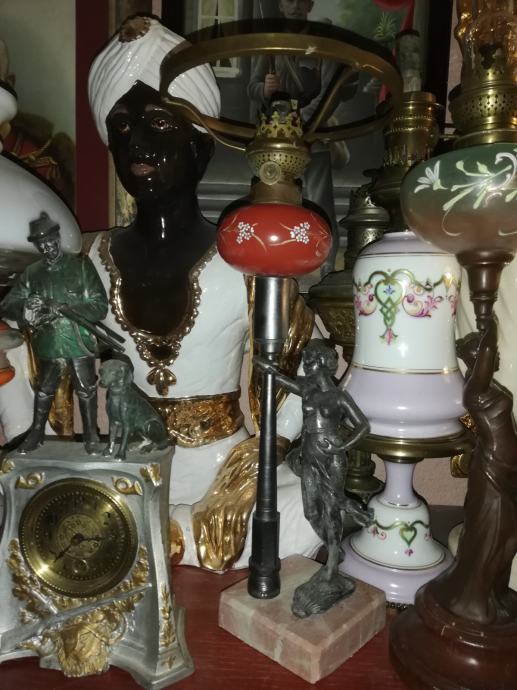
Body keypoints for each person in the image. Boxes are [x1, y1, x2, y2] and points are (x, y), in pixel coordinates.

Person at [86, 16, 321, 570]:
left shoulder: (248, 261)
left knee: (307, 508)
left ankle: (153, 541)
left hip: (224, 467)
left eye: (159, 124)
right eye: (121, 126)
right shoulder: (90, 262)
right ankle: (154, 536)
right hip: (128, 468)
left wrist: (251, 472)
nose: (136, 142)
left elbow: (295, 382)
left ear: (201, 147)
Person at [256, 340, 371, 616]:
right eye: (305, 359)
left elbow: (363, 426)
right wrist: (264, 363)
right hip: (309, 455)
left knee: (330, 507)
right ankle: (341, 532)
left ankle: (331, 563)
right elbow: (279, 378)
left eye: (309, 359)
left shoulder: (339, 397)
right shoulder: (307, 389)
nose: (305, 364)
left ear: (322, 363)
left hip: (331, 457)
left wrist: (342, 447)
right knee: (311, 510)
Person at [247, 0, 357, 285]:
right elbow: (253, 87)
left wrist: (300, 123)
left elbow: (330, 92)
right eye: (288, 0)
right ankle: (271, 265)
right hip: (274, 143)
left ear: (309, 5)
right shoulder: (270, 44)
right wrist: (264, 89)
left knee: (320, 204)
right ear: (281, 5)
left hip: (312, 138)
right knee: (269, 203)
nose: (294, 6)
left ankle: (325, 269)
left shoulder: (323, 44)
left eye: (300, 0)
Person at [0, 212, 108, 453]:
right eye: (41, 244)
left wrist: (64, 308)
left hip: (78, 341)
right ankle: (37, 433)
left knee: (86, 390)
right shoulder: (32, 273)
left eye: (50, 241)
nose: (46, 247)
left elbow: (99, 307)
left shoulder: (81, 267)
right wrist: (26, 307)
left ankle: (91, 435)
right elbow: (7, 305)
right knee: (44, 390)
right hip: (49, 342)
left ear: (57, 237)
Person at [433, 320, 517, 624]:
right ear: (475, 358)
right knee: (493, 535)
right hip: (492, 470)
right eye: (486, 356)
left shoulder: (488, 387)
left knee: (509, 536)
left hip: (505, 469)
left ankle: (496, 592)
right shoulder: (475, 389)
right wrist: (489, 323)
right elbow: (488, 350)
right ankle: (475, 599)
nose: (496, 358)